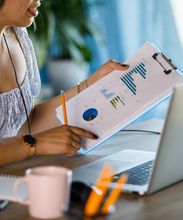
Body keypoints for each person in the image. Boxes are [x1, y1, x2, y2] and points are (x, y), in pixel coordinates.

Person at [0, 0, 129, 165]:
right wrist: (35, 144)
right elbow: (30, 137)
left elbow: (26, 123)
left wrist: (91, 84)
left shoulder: (17, 37)